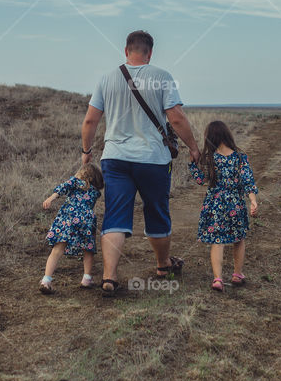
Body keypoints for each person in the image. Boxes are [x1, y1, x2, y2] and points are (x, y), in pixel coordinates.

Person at [80, 30, 201, 297]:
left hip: (115, 158)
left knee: (115, 215)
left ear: (126, 50)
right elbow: (177, 118)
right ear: (150, 53)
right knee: (157, 210)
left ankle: (109, 277)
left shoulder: (106, 79)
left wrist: (86, 151)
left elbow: (90, 121)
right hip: (153, 160)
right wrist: (193, 147)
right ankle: (162, 266)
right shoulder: (162, 76)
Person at [188, 120, 259, 291]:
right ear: (227, 135)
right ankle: (237, 274)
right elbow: (247, 181)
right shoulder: (240, 157)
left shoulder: (209, 158)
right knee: (239, 239)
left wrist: (192, 165)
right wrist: (253, 201)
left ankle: (218, 279)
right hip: (235, 203)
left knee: (217, 241)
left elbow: (200, 180)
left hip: (215, 204)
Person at [39, 163, 104, 294]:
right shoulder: (95, 191)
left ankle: (46, 280)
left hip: (68, 217)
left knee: (57, 249)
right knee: (88, 249)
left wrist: (51, 198)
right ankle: (86, 279)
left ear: (81, 173)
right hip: (86, 219)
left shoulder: (74, 182)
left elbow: (62, 188)